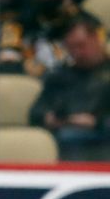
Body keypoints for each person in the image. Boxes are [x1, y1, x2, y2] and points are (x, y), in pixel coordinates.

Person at [29, 13, 110, 161]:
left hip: (102, 141)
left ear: (96, 39)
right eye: (71, 48)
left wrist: (96, 122)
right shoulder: (59, 76)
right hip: (63, 139)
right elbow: (36, 112)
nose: (77, 53)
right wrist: (49, 118)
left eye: (81, 45)